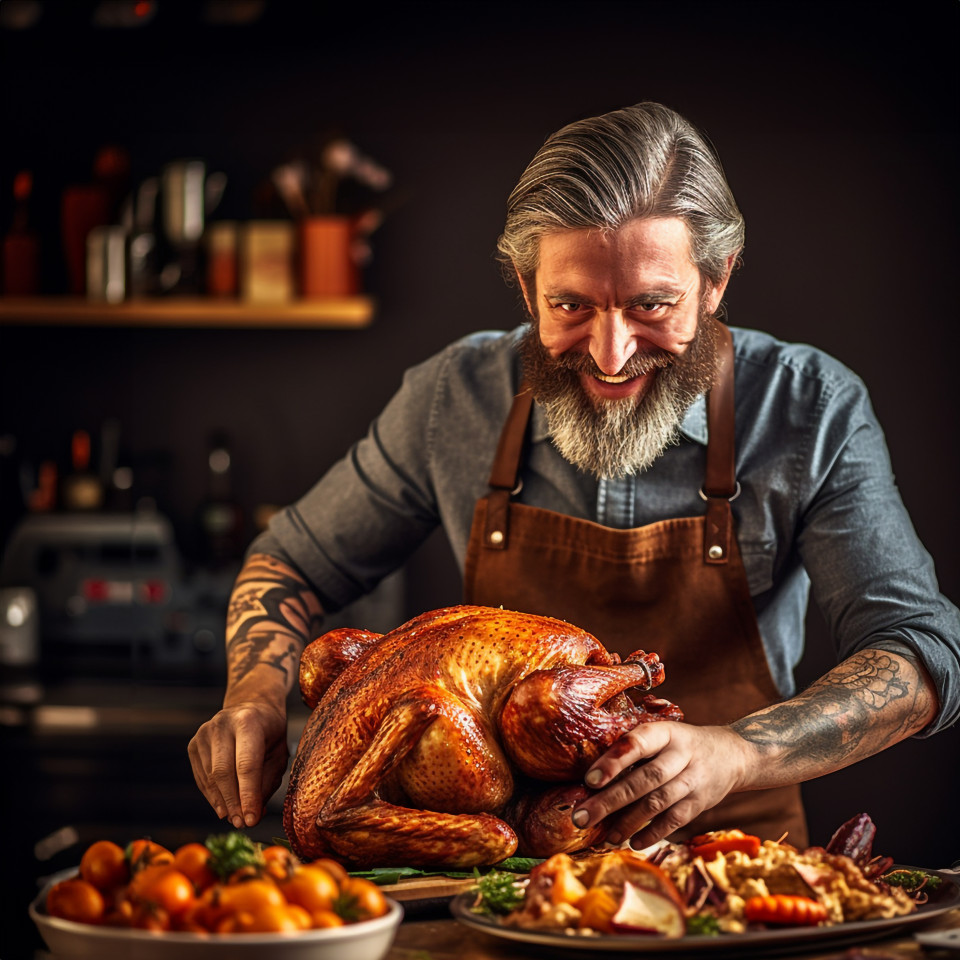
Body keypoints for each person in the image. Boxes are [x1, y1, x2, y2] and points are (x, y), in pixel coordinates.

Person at [188, 102, 959, 852]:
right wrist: (254, 695)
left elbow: (921, 651)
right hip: (505, 884)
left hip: (738, 874)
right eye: (570, 305)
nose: (611, 354)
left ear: (717, 280)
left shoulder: (808, 407)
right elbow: (290, 563)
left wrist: (739, 753)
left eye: (653, 304)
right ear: (525, 287)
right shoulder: (451, 398)